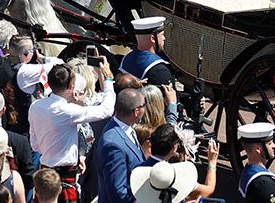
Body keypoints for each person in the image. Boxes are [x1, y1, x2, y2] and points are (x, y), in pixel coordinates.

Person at [28, 62, 115, 202]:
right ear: (70, 87)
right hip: (65, 174)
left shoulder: (35, 106)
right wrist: (109, 79)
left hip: (44, 171)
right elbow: (106, 110)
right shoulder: (67, 111)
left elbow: (35, 145)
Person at [94, 86, 146, 203]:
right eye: (144, 105)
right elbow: (117, 191)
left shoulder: (126, 129)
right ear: (136, 112)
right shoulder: (113, 144)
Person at [118, 17, 174, 86]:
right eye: (162, 35)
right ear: (153, 38)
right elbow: (171, 96)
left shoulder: (125, 60)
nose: (164, 38)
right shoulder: (160, 70)